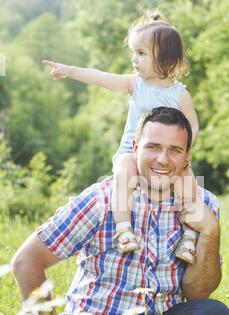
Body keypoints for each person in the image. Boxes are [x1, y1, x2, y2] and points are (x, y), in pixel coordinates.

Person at [12, 107, 229, 315]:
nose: (162, 159)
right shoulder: (104, 199)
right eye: (153, 147)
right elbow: (25, 262)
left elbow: (197, 293)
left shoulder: (203, 205)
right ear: (135, 148)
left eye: (174, 150)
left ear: (187, 157)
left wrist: (210, 231)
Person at [42, 12, 200, 265]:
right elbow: (100, 77)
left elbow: (192, 124)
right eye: (134, 52)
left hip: (168, 155)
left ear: (164, 57)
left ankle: (190, 238)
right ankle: (124, 229)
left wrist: (185, 152)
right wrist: (70, 70)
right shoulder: (135, 84)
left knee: (191, 186)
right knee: (124, 173)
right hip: (131, 150)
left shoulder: (180, 94)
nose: (134, 59)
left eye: (141, 53)